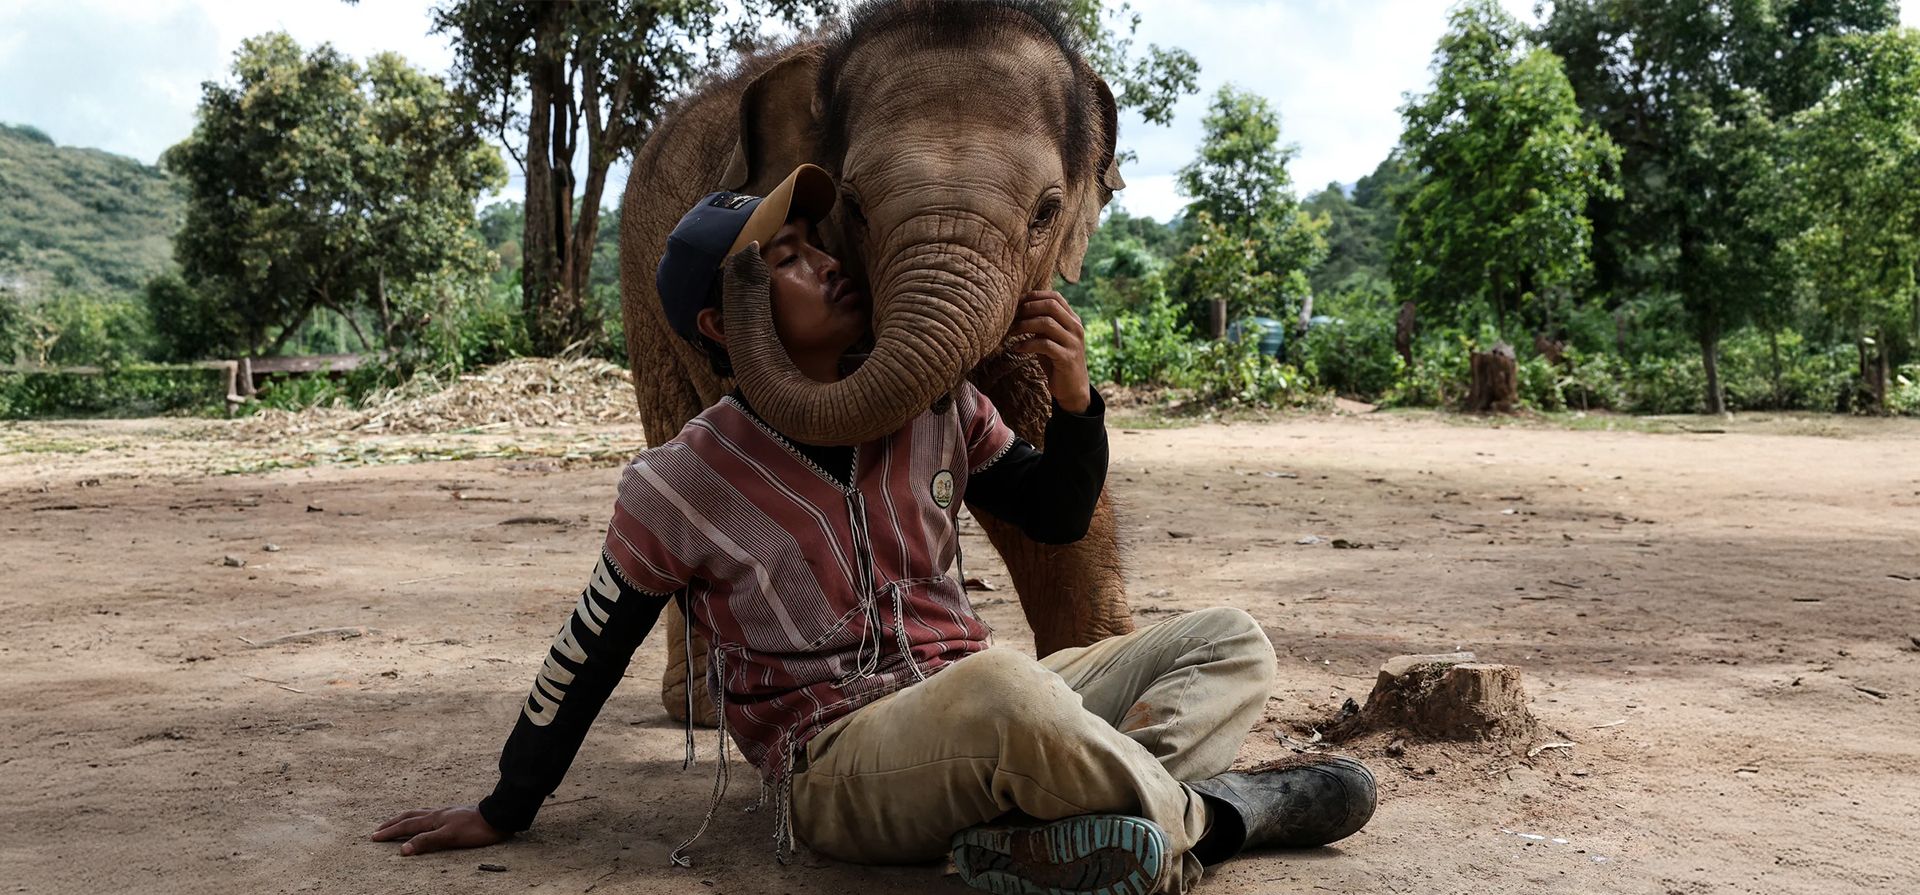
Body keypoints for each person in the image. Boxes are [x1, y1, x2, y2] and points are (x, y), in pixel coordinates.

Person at [371, 164, 1378, 895]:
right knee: (1008, 690)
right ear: (723, 324)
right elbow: (588, 651)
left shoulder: (934, 404)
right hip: (839, 764)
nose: (826, 262)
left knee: (1229, 640)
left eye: (816, 243)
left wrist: (1078, 402)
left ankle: (1071, 824)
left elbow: (1057, 511)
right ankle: (1223, 816)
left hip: (975, 701)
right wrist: (505, 805)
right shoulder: (678, 482)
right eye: (788, 260)